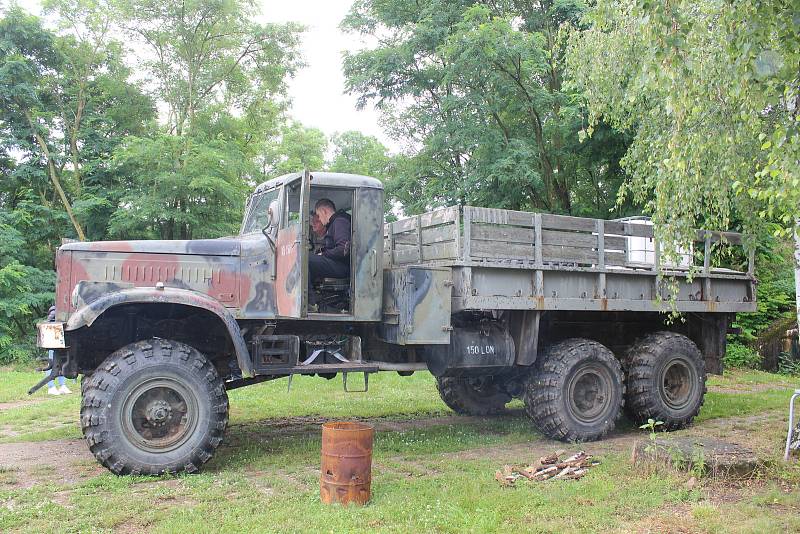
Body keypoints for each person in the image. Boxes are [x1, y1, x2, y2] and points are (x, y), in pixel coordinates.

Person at [308, 199, 351, 301]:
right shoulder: (335, 223)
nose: (319, 218)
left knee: (306, 260)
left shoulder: (339, 221)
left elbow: (343, 249)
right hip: (337, 264)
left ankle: (309, 301)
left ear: (324, 211)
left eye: (318, 215)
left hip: (342, 267)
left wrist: (324, 254)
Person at [44, 306, 71, 396]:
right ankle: (51, 387)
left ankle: (62, 385)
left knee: (63, 363)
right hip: (54, 342)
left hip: (61, 341)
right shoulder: (55, 312)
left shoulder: (65, 311)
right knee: (52, 364)